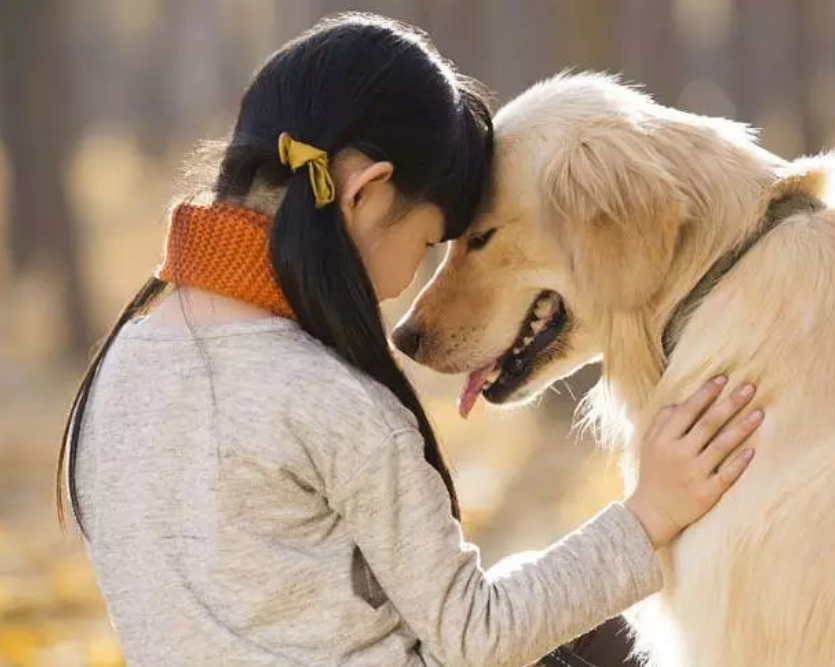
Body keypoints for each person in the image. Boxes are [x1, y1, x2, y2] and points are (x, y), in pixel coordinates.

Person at [58, 13, 762, 667]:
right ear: (367, 192)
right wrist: (649, 514)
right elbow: (475, 634)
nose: (405, 292)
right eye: (427, 243)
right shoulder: (328, 400)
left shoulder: (122, 364)